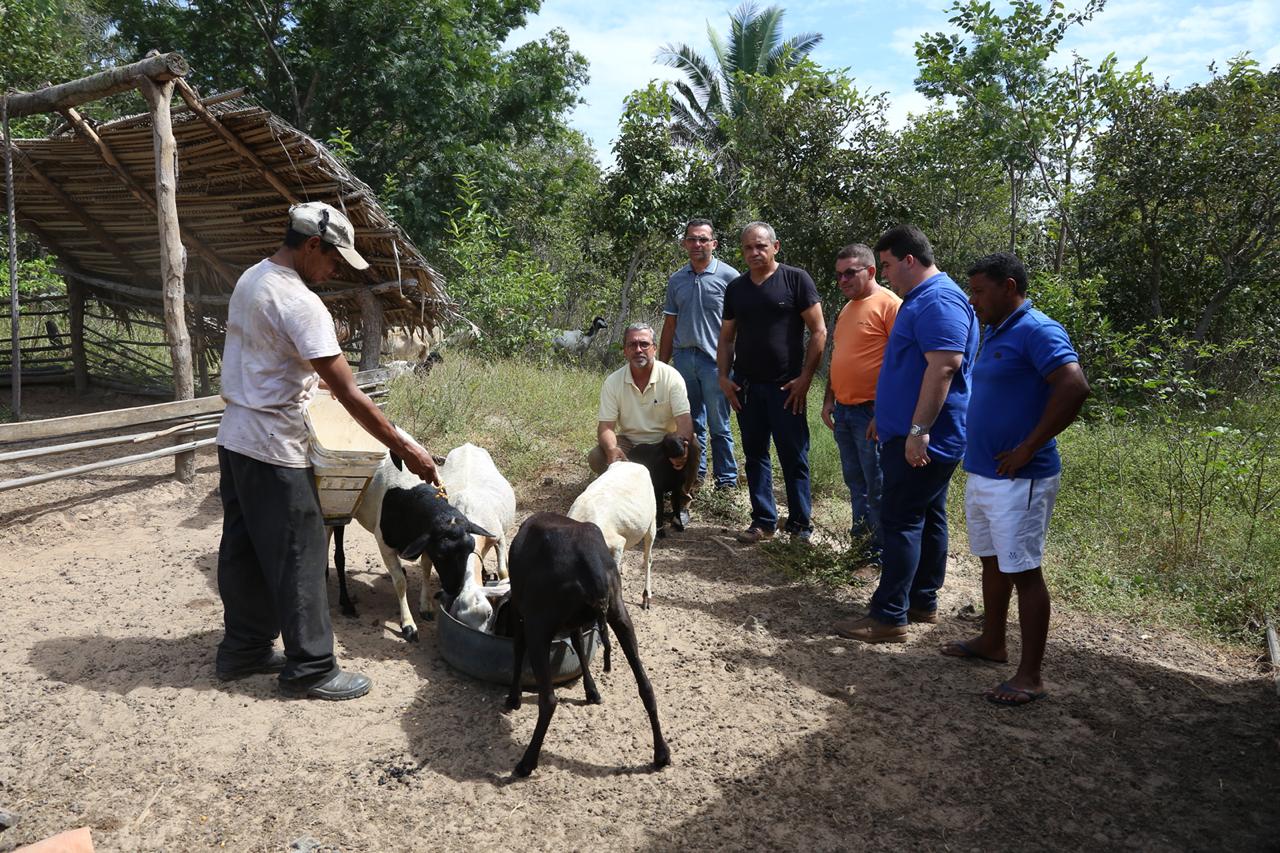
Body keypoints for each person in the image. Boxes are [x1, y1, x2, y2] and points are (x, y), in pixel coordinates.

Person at [215, 201, 439, 701]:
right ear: (312, 245)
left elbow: (276, 364)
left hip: (236, 439)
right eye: (335, 258)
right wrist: (407, 448)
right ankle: (312, 667)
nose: (335, 269)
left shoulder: (253, 278)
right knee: (302, 551)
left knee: (245, 547)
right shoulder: (300, 302)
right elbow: (350, 393)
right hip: (275, 446)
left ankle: (244, 649)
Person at [941, 252, 1089, 706]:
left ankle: (1031, 676)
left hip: (1021, 477)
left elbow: (1074, 385)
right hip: (986, 471)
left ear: (1009, 287)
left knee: (1023, 570)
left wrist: (1029, 445)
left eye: (980, 290)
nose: (973, 299)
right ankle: (992, 642)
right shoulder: (995, 330)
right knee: (991, 561)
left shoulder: (1038, 329)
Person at [834, 225, 978, 643]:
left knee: (900, 519)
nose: (887, 274)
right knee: (927, 516)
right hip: (908, 431)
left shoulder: (940, 300)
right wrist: (892, 416)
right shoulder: (922, 300)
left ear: (910, 260)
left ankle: (889, 615)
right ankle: (920, 601)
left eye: (889, 265)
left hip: (926, 438)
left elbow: (945, 366)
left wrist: (918, 430)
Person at [717, 222, 827, 544]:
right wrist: (724, 377)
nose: (754, 252)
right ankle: (763, 521)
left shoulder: (795, 279)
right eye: (749, 247)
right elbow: (726, 338)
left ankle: (799, 527)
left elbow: (819, 331)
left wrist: (805, 378)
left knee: (794, 457)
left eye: (761, 246)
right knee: (755, 455)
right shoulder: (736, 288)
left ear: (775, 247)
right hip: (746, 388)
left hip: (786, 389)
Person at [821, 243, 901, 563]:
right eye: (839, 275)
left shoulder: (890, 305)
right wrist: (829, 399)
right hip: (844, 411)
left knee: (877, 485)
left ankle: (880, 554)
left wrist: (884, 413)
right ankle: (861, 548)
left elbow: (901, 364)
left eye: (849, 273)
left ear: (870, 272)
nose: (842, 280)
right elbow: (839, 357)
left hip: (872, 414)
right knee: (857, 484)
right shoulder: (846, 308)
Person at [659, 219, 741, 489]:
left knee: (719, 424)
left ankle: (726, 481)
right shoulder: (677, 279)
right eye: (692, 239)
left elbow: (742, 324)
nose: (698, 244)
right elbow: (670, 324)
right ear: (684, 244)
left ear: (714, 244)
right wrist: (661, 365)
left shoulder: (730, 277)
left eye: (703, 239)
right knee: (691, 423)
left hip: (715, 362)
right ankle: (697, 476)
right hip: (684, 359)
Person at [588, 323, 696, 520]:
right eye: (632, 345)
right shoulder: (613, 382)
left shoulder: (672, 377)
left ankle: (681, 502)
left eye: (644, 344)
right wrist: (612, 449)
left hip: (664, 444)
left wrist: (682, 447)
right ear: (625, 351)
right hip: (632, 444)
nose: (638, 349)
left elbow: (684, 420)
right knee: (597, 455)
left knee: (693, 445)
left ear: (654, 348)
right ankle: (624, 498)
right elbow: (605, 427)